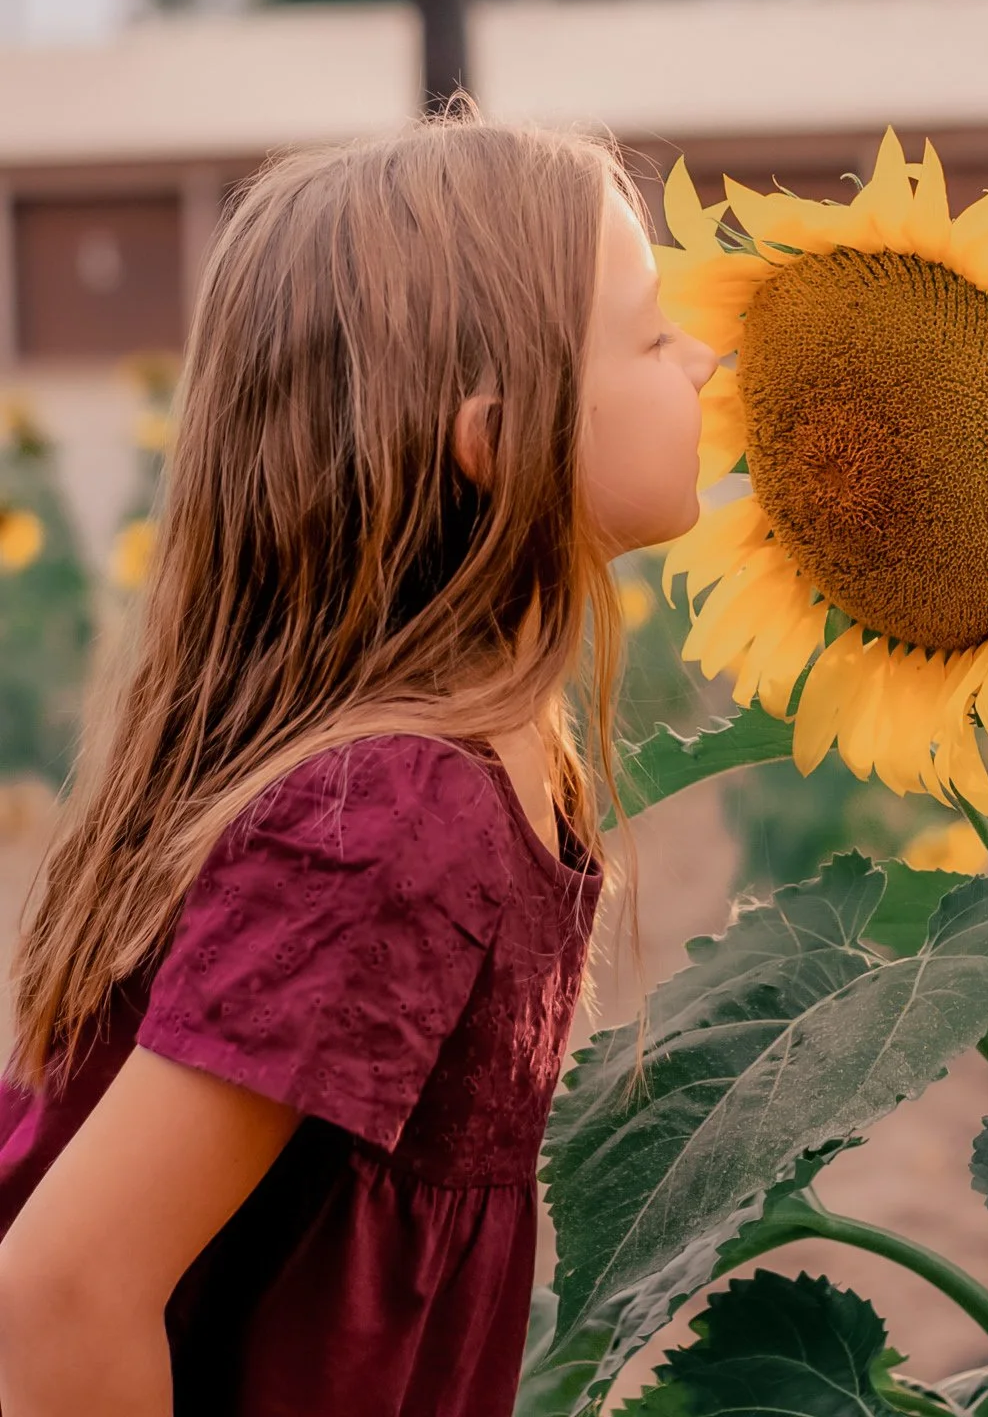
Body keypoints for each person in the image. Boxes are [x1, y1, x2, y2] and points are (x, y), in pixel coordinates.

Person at [0, 115, 716, 1417]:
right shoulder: (397, 811)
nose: (705, 359)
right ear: (495, 442)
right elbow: (63, 1299)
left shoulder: (488, 759)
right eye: (656, 334)